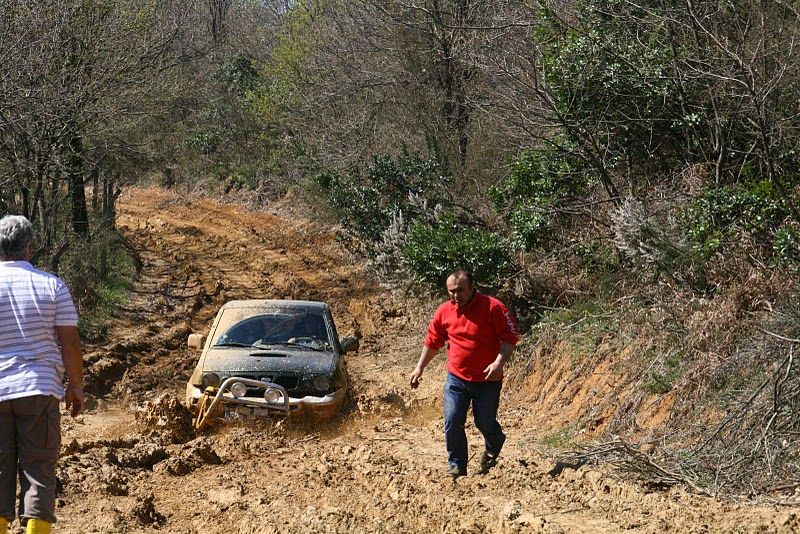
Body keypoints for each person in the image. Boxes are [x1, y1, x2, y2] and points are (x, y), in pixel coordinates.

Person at [0, 215, 84, 534]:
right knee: (38, 472)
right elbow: (70, 340)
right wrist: (75, 386)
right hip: (38, 388)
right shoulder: (52, 285)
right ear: (31, 247)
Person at [409, 269, 520, 478]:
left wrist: (498, 362)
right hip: (457, 378)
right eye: (451, 291)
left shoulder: (493, 307)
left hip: (488, 380)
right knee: (452, 419)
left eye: (460, 290)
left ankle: (495, 442)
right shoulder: (444, 311)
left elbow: (511, 335)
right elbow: (433, 341)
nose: (455, 296)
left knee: (484, 422)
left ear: (472, 287)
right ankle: (457, 464)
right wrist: (419, 367)